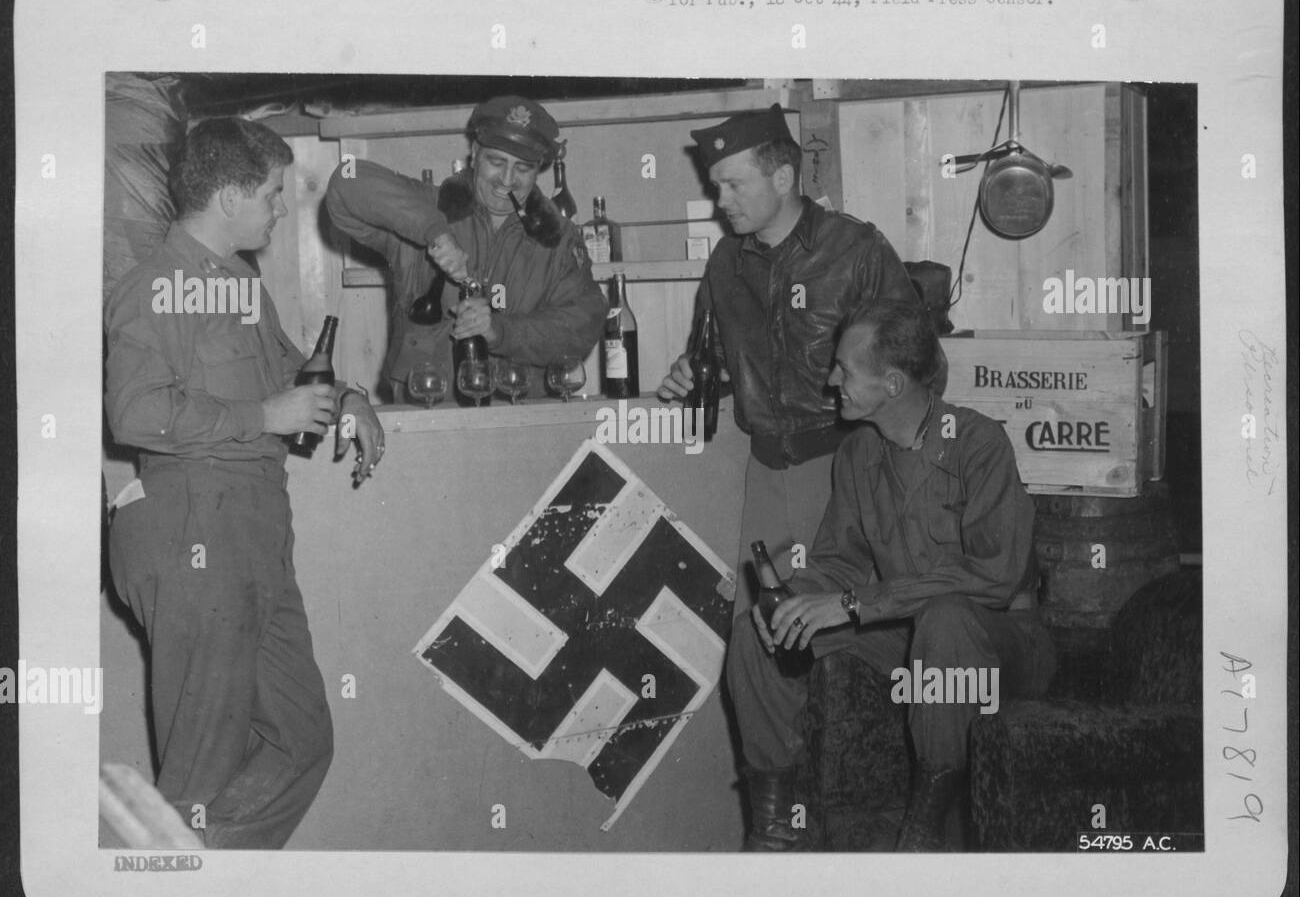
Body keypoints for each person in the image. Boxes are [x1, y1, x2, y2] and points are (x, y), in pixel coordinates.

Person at [104, 117, 385, 848]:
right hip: (195, 530)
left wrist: (347, 396)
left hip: (255, 534)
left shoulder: (238, 282)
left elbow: (291, 368)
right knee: (199, 767)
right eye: (270, 192)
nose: (282, 207)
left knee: (300, 739)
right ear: (227, 197)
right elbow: (134, 412)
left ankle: (195, 876)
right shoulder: (156, 287)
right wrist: (265, 413)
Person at [656, 103, 932, 844]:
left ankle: (861, 808)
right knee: (759, 639)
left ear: (783, 175)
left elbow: (917, 366)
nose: (722, 201)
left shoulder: (856, 250)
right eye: (716, 186)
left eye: (733, 184)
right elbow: (710, 361)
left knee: (836, 637)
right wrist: (693, 375)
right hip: (768, 472)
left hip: (847, 465)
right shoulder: (724, 265)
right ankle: (777, 825)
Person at [734, 298, 1055, 851]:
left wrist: (855, 605)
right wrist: (794, 598)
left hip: (998, 646)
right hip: (904, 635)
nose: (832, 378)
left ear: (893, 383)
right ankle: (772, 827)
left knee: (947, 619)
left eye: (845, 370)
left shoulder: (979, 444)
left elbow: (994, 576)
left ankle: (925, 831)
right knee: (755, 635)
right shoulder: (859, 453)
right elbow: (840, 561)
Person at [324, 95, 606, 402]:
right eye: (496, 162)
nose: (507, 180)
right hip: (425, 413)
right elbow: (345, 179)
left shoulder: (560, 239)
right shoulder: (429, 206)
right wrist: (435, 232)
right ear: (474, 154)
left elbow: (583, 325)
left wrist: (501, 332)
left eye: (523, 168)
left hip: (519, 415)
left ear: (539, 169)